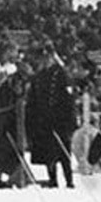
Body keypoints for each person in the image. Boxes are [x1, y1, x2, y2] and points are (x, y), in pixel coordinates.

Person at [26, 43, 77, 188]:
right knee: (48, 151)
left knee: (64, 150)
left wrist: (69, 119)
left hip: (60, 119)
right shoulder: (40, 76)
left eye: (48, 56)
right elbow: (34, 98)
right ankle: (52, 178)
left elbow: (68, 98)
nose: (46, 60)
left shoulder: (61, 74)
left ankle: (69, 179)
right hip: (44, 119)